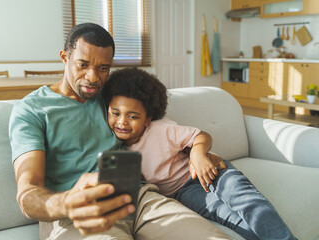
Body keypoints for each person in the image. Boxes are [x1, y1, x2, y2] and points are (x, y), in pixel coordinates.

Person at [9, 23, 230, 239]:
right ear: (65, 58)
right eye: (82, 65)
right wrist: (67, 202)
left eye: (103, 68)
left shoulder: (111, 97)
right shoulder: (31, 110)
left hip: (140, 197)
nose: (93, 77)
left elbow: (152, 130)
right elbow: (27, 194)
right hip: (78, 214)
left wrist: (195, 151)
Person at [101, 67, 297, 240]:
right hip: (184, 193)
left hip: (208, 169)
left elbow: (202, 136)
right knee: (224, 214)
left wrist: (197, 154)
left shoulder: (161, 129)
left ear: (147, 119)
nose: (122, 122)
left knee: (244, 199)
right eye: (115, 113)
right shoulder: (117, 149)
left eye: (133, 116)